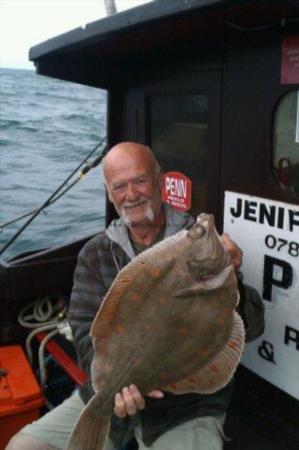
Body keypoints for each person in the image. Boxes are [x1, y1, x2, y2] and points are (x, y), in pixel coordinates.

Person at [6, 142, 264, 450]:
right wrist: (112, 388)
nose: (131, 194)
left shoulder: (195, 243)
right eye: (120, 186)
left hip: (185, 408)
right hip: (107, 395)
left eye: (140, 181)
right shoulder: (96, 253)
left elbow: (253, 326)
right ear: (109, 192)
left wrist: (232, 278)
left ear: (160, 180)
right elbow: (85, 329)